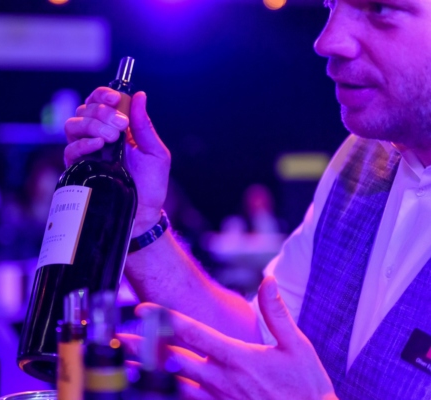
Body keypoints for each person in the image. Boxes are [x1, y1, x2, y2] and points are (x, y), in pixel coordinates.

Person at [63, 0, 431, 398]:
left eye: (379, 8)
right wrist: (138, 219)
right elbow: (259, 349)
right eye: (330, 5)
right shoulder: (360, 159)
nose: (327, 40)